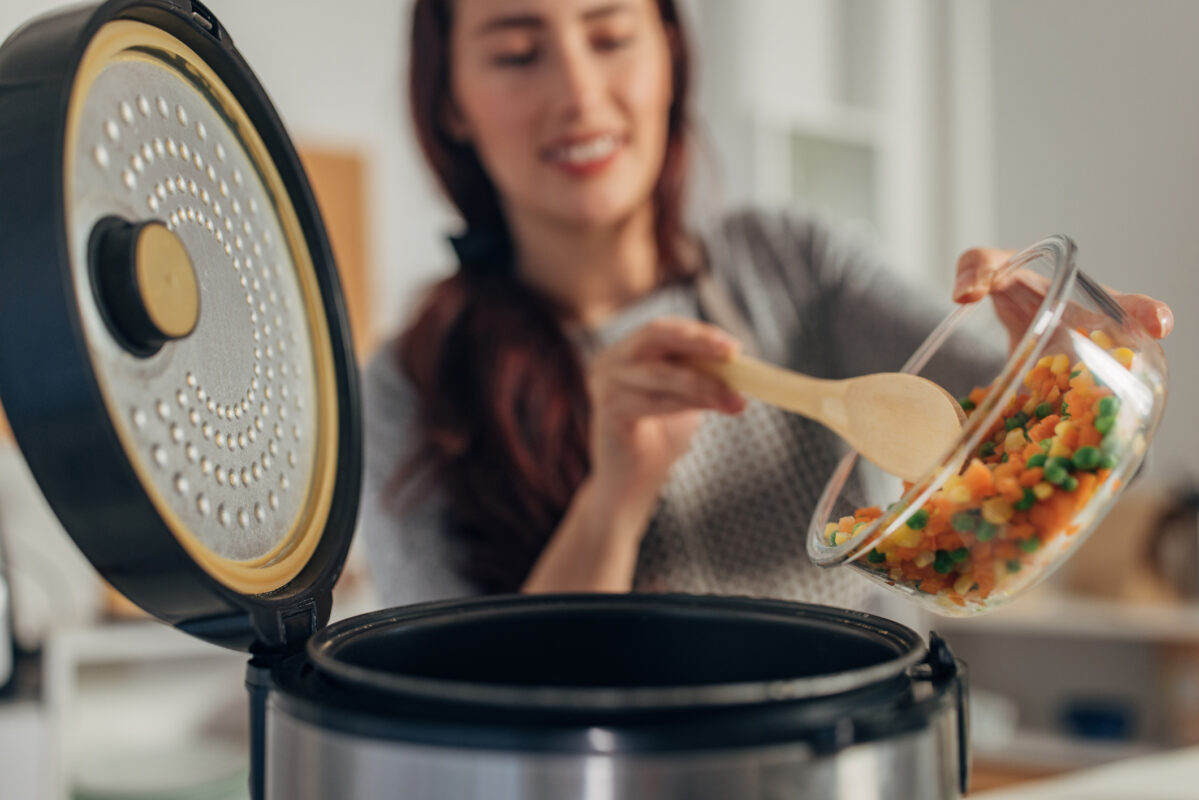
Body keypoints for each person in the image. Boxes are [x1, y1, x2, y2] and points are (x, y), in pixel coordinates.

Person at [358, 0, 1173, 610]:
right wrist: (612, 500)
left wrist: (1056, 354)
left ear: (670, 54)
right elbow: (456, 711)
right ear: (452, 101)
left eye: (609, 38)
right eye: (515, 54)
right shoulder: (408, 386)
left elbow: (999, 440)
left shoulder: (791, 259)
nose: (578, 92)